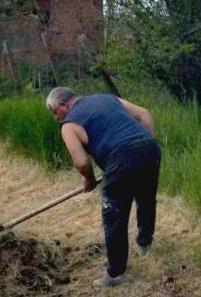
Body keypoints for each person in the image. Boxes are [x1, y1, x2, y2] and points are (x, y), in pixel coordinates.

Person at [46, 86, 161, 286]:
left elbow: (81, 163)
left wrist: (89, 180)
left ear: (64, 105)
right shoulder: (107, 98)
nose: (56, 118)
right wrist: (146, 142)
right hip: (150, 149)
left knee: (114, 213)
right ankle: (144, 242)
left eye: (55, 113)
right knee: (145, 197)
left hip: (120, 157)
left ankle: (116, 274)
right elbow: (144, 113)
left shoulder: (69, 125)